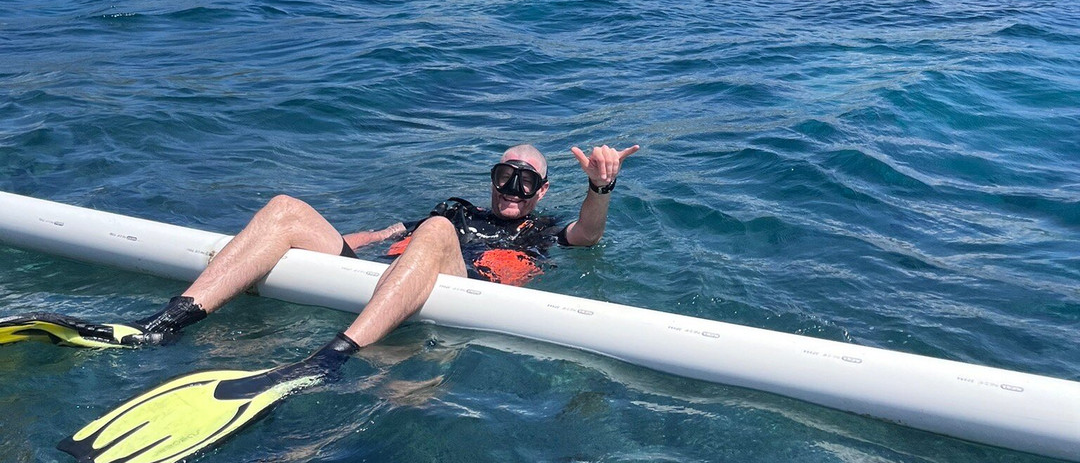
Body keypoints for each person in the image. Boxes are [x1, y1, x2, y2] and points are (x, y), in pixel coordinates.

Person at [10, 141, 639, 463]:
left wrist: (600, 187)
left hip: (442, 302)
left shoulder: (544, 227)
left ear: (544, 188)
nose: (516, 188)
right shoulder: (452, 209)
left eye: (528, 180)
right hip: (378, 283)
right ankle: (163, 325)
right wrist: (335, 242)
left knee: (437, 237)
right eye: (507, 175)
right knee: (286, 208)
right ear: (492, 177)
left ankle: (326, 361)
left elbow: (587, 235)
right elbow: (382, 237)